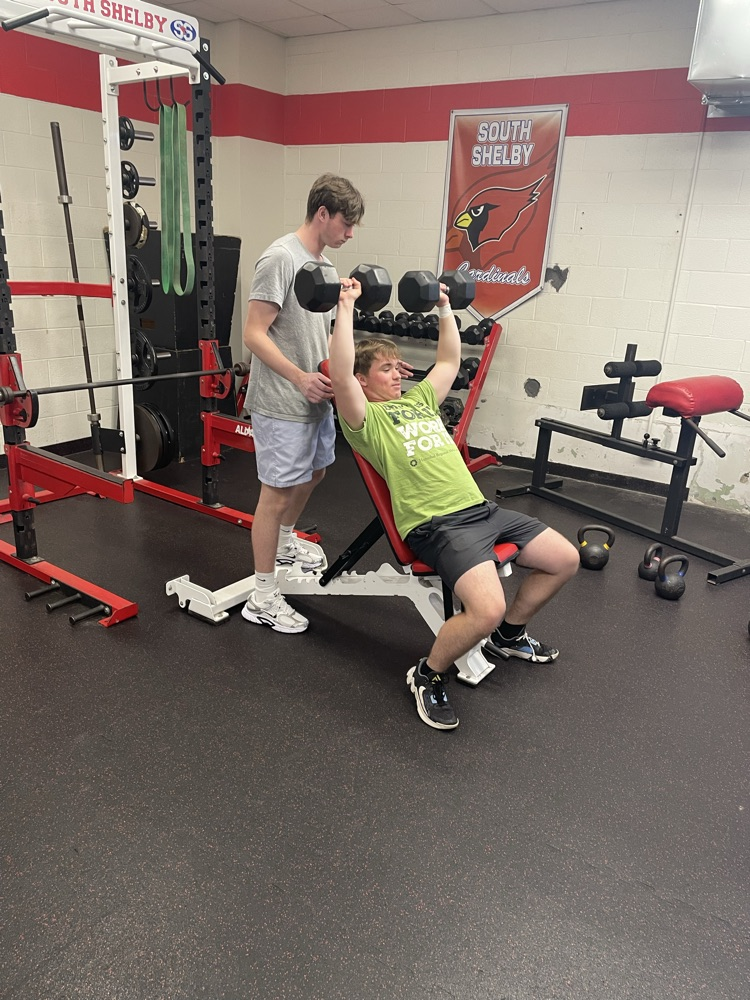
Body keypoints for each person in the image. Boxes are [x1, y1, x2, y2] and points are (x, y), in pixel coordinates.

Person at [328, 280, 579, 731]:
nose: (397, 374)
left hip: (481, 510)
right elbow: (342, 371)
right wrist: (345, 306)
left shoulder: (421, 400)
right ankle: (428, 673)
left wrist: (445, 306)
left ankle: (509, 636)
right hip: (436, 524)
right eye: (385, 369)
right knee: (485, 608)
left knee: (564, 558)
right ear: (364, 381)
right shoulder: (363, 419)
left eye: (396, 367)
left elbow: (447, 360)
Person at [241, 174, 365, 635]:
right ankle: (263, 595)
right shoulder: (280, 259)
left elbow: (320, 333)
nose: (349, 233)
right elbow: (252, 334)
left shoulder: (326, 268)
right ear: (322, 214)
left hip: (317, 394)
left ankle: (287, 541)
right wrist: (298, 379)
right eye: (346, 223)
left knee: (316, 472)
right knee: (274, 496)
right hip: (282, 398)